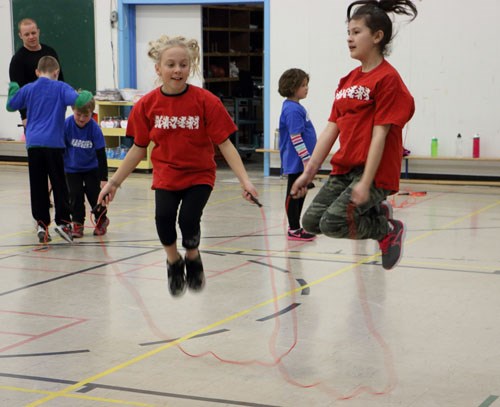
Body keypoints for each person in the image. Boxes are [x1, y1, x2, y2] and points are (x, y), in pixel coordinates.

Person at [97, 35, 259, 297]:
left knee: (188, 219)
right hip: (166, 175)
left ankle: (193, 256)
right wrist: (114, 182)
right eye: (170, 64)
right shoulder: (147, 106)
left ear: (191, 67)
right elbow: (138, 149)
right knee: (163, 219)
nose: (177, 70)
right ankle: (174, 261)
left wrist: (245, 181)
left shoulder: (207, 102)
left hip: (199, 174)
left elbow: (226, 144)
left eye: (184, 65)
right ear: (158, 68)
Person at [290, 0, 417, 270]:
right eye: (348, 33)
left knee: (332, 222)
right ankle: (376, 213)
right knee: (311, 222)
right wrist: (308, 173)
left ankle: (385, 229)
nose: (349, 39)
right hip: (344, 169)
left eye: (356, 32)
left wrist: (366, 182)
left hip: (374, 172)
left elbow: (380, 135)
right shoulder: (347, 81)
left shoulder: (387, 79)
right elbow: (330, 129)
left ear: (377, 36)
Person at [6, 56, 93, 244]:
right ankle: (62, 222)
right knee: (59, 183)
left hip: (34, 144)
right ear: (56, 72)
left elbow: (11, 105)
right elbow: (79, 102)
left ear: (37, 72)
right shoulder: (61, 87)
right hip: (53, 143)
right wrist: (85, 94)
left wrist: (13, 90)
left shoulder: (29, 88)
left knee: (37, 185)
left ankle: (41, 224)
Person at [278, 68, 317, 241]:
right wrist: (306, 160)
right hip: (297, 161)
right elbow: (295, 137)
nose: (306, 88)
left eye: (306, 85)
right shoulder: (292, 110)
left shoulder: (296, 107)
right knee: (294, 193)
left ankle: (296, 226)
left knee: (300, 192)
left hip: (301, 161)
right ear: (293, 87)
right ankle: (293, 228)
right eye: (303, 85)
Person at [64, 98, 110, 238]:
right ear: (73, 110)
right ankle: (77, 223)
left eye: (86, 115)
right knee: (75, 195)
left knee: (95, 195)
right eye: (79, 115)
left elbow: (101, 154)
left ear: (92, 114)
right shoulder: (67, 125)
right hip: (72, 169)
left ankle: (101, 220)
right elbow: (60, 148)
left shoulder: (94, 128)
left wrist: (104, 179)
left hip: (91, 168)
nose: (82, 119)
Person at [9, 18, 64, 128]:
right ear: (20, 35)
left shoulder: (50, 52)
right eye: (27, 34)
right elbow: (18, 91)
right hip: (33, 113)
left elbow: (60, 80)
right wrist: (24, 116)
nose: (31, 37)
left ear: (38, 31)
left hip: (53, 110)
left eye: (33, 33)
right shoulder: (18, 60)